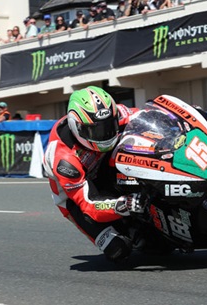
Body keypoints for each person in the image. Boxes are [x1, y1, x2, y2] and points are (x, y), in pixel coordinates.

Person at [42, 86, 141, 262]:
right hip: (77, 198)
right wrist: (124, 205)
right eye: (96, 130)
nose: (105, 135)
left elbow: (142, 116)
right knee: (118, 249)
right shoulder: (64, 158)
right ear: (77, 127)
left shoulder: (114, 113)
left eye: (109, 126)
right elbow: (88, 205)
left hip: (104, 167)